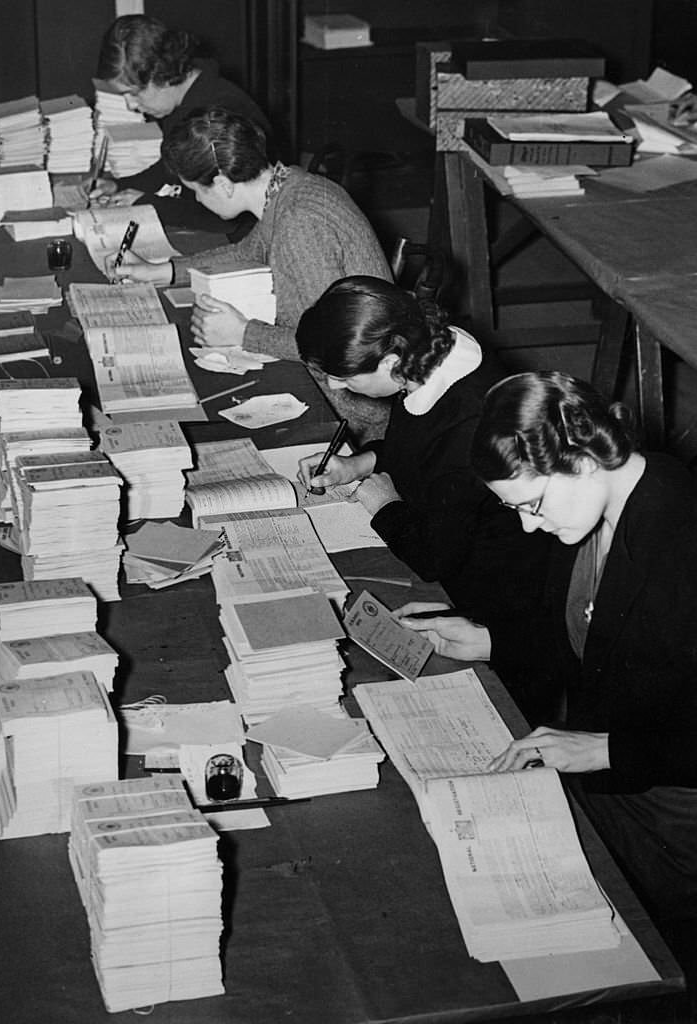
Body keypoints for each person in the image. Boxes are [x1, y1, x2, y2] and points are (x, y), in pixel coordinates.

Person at [396, 370, 697, 983]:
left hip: (676, 806)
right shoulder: (596, 509)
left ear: (584, 461)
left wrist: (608, 750)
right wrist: (492, 640)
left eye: (530, 504)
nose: (530, 526)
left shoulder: (681, 540)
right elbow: (599, 637)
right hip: (619, 773)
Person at [295, 277, 552, 708]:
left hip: (499, 600)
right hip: (466, 555)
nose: (337, 388)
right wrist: (358, 464)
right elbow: (415, 445)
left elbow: (433, 557)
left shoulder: (467, 422)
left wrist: (384, 507)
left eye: (343, 377)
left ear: (391, 361)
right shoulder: (428, 358)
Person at [109, 108, 394, 444]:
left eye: (197, 191)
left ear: (222, 184)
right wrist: (164, 271)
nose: (198, 200)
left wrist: (244, 332)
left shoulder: (298, 223)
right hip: (332, 380)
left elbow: (327, 345)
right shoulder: (289, 185)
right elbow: (247, 252)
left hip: (352, 409)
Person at [91, 14, 272, 238]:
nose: (131, 105)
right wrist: (119, 186)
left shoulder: (216, 115)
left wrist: (148, 203)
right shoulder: (185, 100)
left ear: (162, 76)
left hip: (246, 237)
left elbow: (226, 215)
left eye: (134, 94)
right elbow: (173, 167)